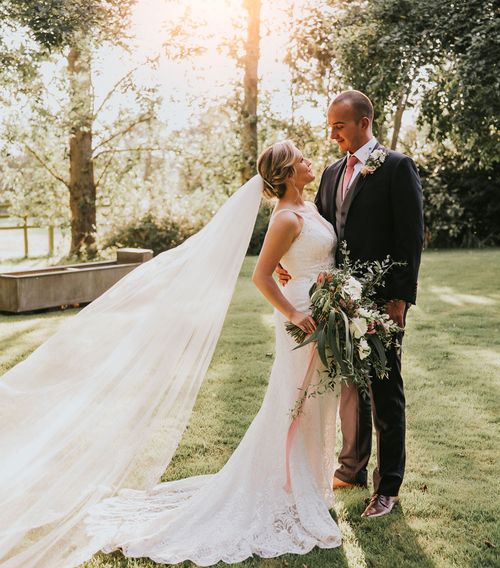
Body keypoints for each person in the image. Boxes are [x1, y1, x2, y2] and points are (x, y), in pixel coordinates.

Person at [0, 141, 342, 566]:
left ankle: (306, 482)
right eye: (302, 159)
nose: (311, 162)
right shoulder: (286, 217)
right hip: (301, 320)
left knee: (317, 400)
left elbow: (297, 260)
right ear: (289, 172)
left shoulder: (308, 209)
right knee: (295, 402)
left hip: (324, 312)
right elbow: (260, 273)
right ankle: (287, 485)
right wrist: (292, 309)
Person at [277, 90, 424, 518]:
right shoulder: (329, 173)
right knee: (349, 385)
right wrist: (287, 265)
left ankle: (387, 487)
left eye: (338, 125)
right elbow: (315, 228)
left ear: (363, 122)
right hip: (336, 299)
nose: (332, 133)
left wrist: (399, 298)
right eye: (330, 125)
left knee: (384, 387)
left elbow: (410, 237)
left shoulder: (397, 168)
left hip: (382, 300)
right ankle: (351, 469)